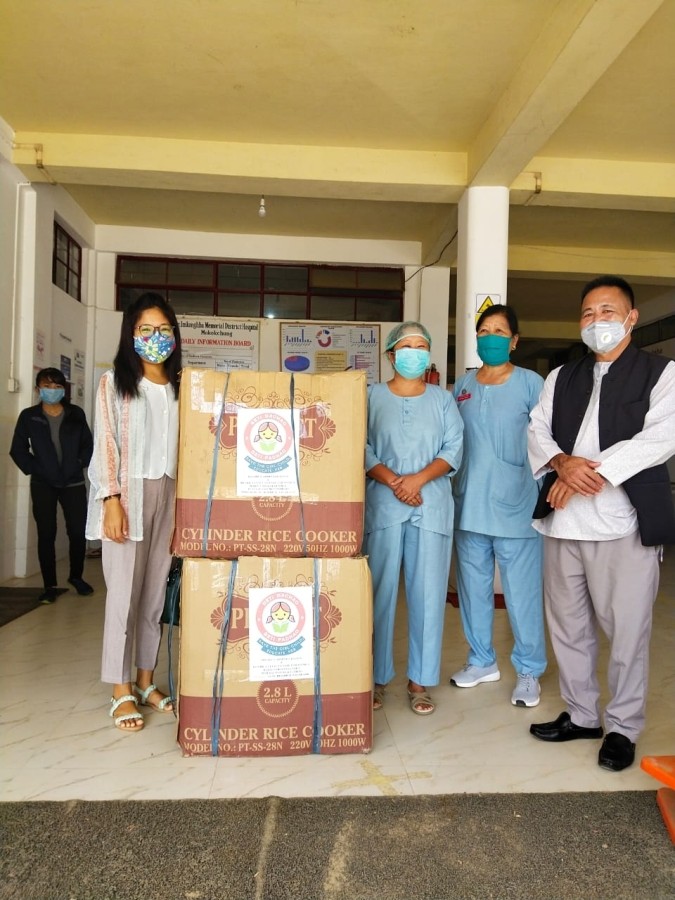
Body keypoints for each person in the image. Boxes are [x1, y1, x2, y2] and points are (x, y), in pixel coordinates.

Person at [527, 275, 675, 771]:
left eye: (608, 312)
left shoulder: (661, 373)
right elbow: (537, 429)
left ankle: (623, 727)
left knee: (628, 631)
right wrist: (560, 463)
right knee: (568, 628)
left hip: (623, 523)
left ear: (631, 317)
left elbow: (660, 438)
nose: (597, 322)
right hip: (563, 523)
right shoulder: (561, 377)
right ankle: (583, 714)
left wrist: (590, 469)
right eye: (589, 314)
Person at [86, 292, 181, 732]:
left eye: (163, 329)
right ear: (131, 334)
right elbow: (106, 444)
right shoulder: (116, 384)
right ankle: (119, 688)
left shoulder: (183, 387)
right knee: (123, 595)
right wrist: (111, 499)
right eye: (146, 329)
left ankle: (146, 679)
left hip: (172, 492)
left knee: (155, 594)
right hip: (130, 494)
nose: (155, 337)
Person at [364, 322, 463, 715]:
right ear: (390, 355)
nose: (414, 353)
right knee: (377, 595)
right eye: (406, 347)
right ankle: (373, 678)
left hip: (430, 506)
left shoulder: (443, 400)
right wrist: (393, 481)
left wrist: (418, 479)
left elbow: (454, 448)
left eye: (421, 346)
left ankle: (420, 681)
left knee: (427, 596)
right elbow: (359, 445)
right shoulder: (370, 397)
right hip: (383, 507)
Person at [450, 305, 546, 707]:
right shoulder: (463, 385)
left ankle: (529, 670)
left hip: (517, 504)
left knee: (522, 593)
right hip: (469, 503)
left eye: (500, 331)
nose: (491, 337)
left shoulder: (530, 383)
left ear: (514, 340)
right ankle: (481, 660)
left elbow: (548, 439)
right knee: (473, 590)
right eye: (484, 330)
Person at [10, 367, 94, 604]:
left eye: (57, 387)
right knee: (46, 533)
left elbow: (88, 445)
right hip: (43, 483)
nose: (52, 391)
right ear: (38, 389)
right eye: (47, 386)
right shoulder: (29, 416)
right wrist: (36, 468)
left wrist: (78, 464)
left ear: (63, 390)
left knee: (77, 532)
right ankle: (49, 586)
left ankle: (76, 577)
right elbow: (17, 450)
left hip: (73, 481)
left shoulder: (75, 413)